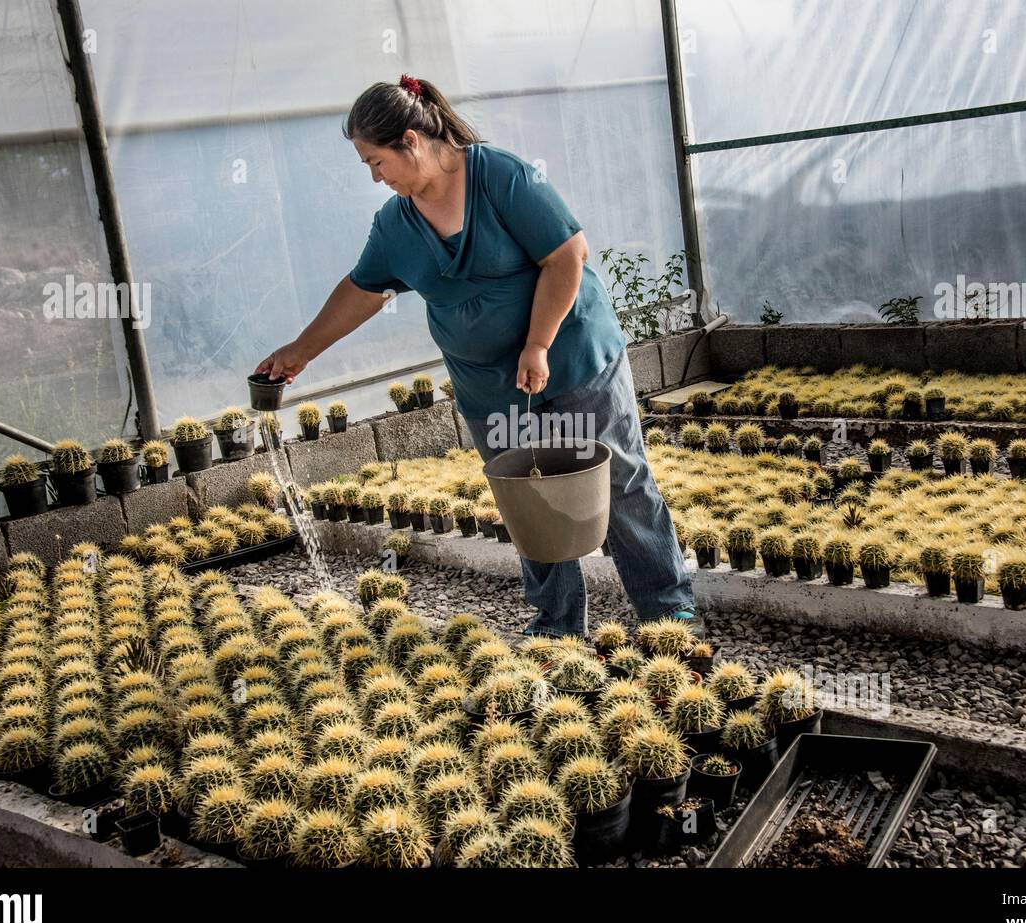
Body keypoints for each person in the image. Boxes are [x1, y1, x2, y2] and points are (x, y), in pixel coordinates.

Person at [256, 74, 699, 639]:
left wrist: (537, 343)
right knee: (529, 496)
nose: (374, 176)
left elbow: (567, 257)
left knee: (619, 478)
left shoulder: (501, 176)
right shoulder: (396, 223)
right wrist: (301, 351)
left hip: (573, 353)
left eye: (375, 161)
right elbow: (363, 291)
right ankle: (558, 628)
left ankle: (667, 609)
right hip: (490, 384)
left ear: (411, 140)